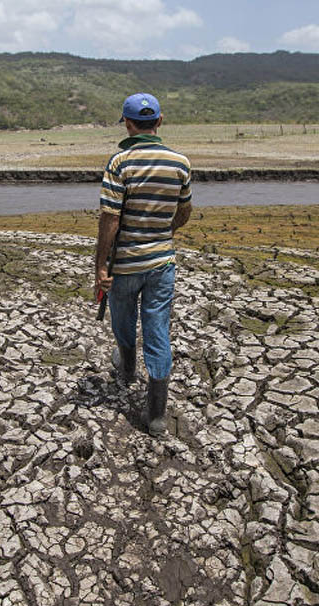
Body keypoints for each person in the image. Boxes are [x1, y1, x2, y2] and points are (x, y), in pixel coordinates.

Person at [93, 92, 192, 437]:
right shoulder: (180, 163)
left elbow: (110, 219)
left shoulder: (120, 163)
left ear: (128, 124)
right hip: (161, 263)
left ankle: (127, 370)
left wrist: (101, 266)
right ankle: (156, 416)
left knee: (123, 320)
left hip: (126, 265)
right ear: (160, 122)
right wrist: (161, 234)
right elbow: (184, 213)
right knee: (157, 330)